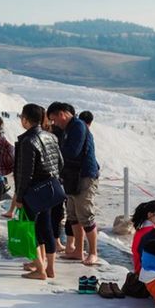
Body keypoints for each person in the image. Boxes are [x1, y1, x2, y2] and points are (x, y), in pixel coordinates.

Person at [5, 103, 64, 281]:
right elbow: (60, 162)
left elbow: (25, 173)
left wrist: (20, 196)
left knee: (31, 231)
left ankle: (40, 270)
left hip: (34, 191)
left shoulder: (28, 141)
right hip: (51, 189)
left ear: (25, 119)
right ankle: (50, 268)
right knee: (47, 228)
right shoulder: (51, 137)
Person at [46, 102, 100, 266]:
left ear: (62, 114)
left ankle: (93, 252)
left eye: (54, 120)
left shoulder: (78, 126)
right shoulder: (68, 128)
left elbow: (72, 152)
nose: (55, 124)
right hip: (71, 176)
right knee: (73, 214)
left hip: (84, 175)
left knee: (85, 213)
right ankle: (78, 250)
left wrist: (54, 153)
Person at [121, 199, 155, 299]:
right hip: (146, 276)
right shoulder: (153, 232)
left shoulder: (140, 231)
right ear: (150, 215)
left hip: (139, 272)